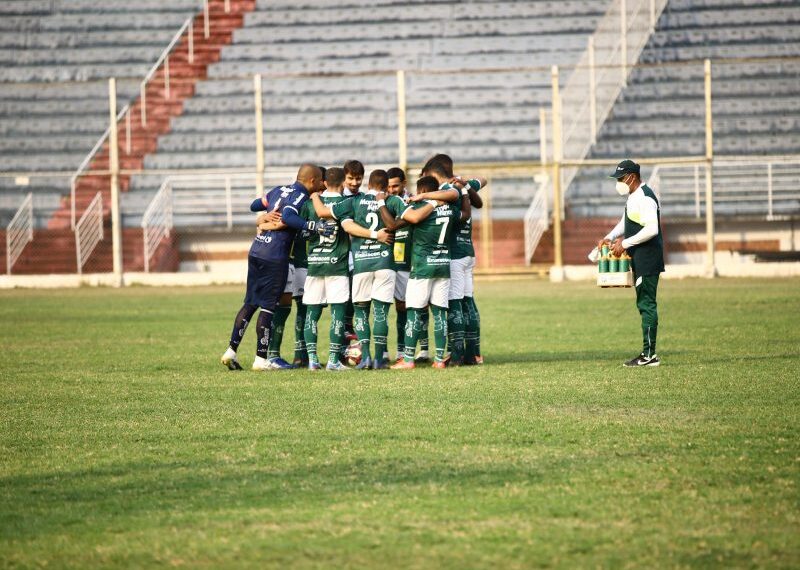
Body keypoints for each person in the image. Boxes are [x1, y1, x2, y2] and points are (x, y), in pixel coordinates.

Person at [220, 164, 333, 371]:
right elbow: (288, 216)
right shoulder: (300, 195)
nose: (321, 184)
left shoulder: (278, 190)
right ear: (312, 180)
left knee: (250, 303)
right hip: (275, 255)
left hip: (257, 249)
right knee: (268, 306)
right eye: (319, 181)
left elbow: (255, 204)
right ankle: (260, 359)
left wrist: (262, 218)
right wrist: (313, 226)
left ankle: (231, 351)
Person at [312, 169, 405, 369]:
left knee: (361, 312)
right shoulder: (393, 200)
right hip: (385, 264)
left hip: (362, 264)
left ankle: (366, 358)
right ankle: (379, 359)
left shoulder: (354, 201)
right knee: (380, 313)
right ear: (386, 186)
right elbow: (411, 216)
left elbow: (324, 212)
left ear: (368, 184)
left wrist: (314, 196)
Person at [391, 175, 471, 369]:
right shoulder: (450, 209)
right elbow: (466, 214)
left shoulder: (419, 209)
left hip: (422, 267)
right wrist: (465, 192)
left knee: (414, 312)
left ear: (421, 192)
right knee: (440, 313)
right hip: (442, 266)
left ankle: (408, 359)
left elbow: (397, 224)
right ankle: (439, 360)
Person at [603, 159, 665, 367]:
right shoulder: (634, 196)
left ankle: (649, 355)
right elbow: (626, 221)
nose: (618, 183)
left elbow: (652, 229)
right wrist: (610, 237)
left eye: (620, 178)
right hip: (639, 258)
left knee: (647, 304)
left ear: (632, 177)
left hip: (648, 259)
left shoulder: (645, 197)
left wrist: (625, 243)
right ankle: (648, 353)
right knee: (643, 304)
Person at [385, 167, 411, 364]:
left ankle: (409, 350)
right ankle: (383, 352)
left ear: (404, 184)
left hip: (406, 262)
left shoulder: (412, 202)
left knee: (405, 307)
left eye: (395, 186)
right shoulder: (382, 203)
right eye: (388, 187)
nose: (391, 190)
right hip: (386, 260)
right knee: (383, 306)